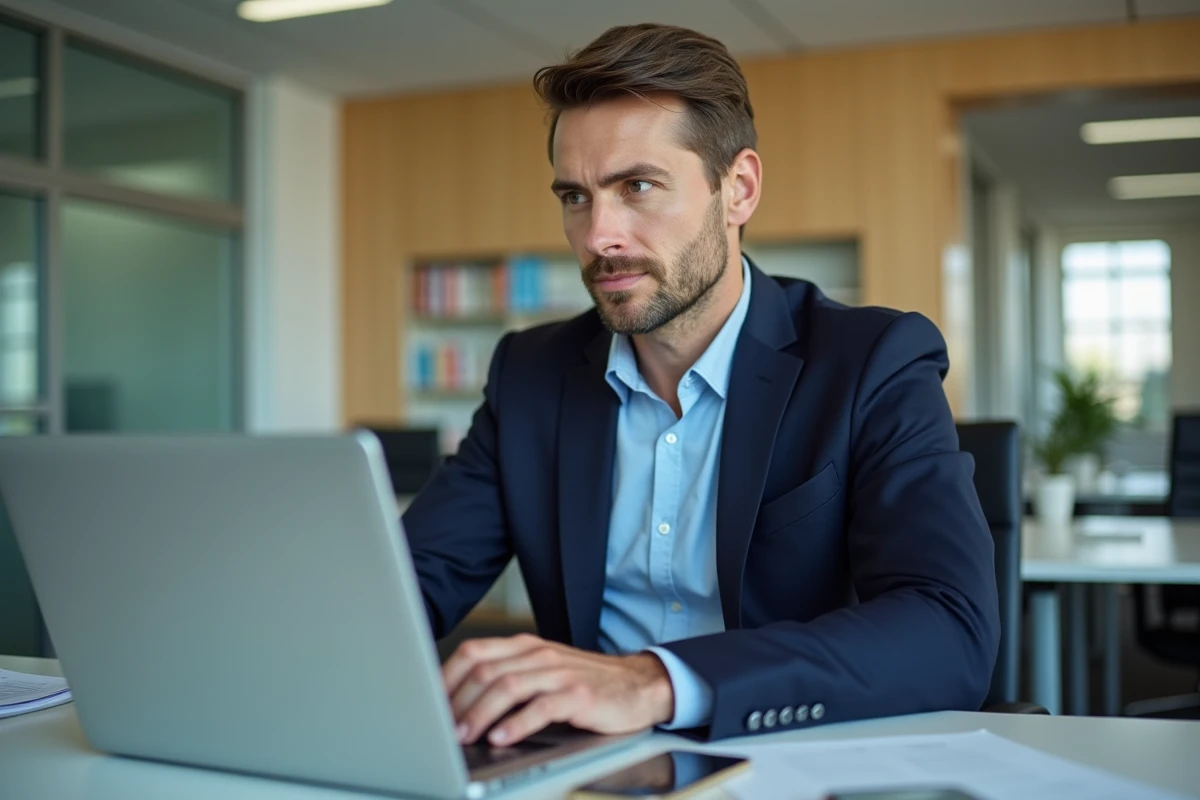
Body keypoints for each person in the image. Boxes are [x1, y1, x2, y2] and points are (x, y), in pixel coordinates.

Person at [401, 23, 1000, 747]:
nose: (599, 236)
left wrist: (654, 681)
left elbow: (947, 629)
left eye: (638, 187)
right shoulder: (532, 376)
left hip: (790, 758)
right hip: (592, 769)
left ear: (738, 189)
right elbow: (407, 588)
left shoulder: (872, 361)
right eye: (575, 197)